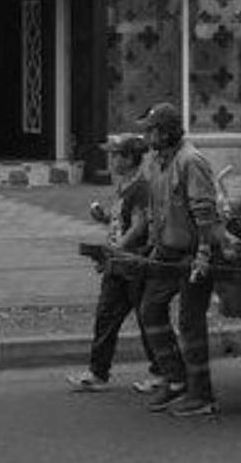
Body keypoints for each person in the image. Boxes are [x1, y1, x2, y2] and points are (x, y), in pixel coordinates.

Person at [135, 102, 222, 418]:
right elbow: (154, 209)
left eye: (152, 130)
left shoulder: (191, 161)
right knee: (151, 310)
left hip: (193, 255)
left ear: (168, 132)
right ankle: (175, 380)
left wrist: (203, 256)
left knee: (189, 322)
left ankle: (202, 394)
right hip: (167, 254)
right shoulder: (156, 161)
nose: (147, 136)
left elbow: (205, 213)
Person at [66, 133, 162, 393]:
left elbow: (141, 224)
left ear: (129, 158)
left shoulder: (140, 187)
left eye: (115, 155)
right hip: (119, 264)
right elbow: (125, 221)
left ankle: (162, 372)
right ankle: (98, 373)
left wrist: (117, 248)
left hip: (133, 263)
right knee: (106, 317)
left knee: (148, 320)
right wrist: (105, 218)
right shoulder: (125, 186)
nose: (110, 159)